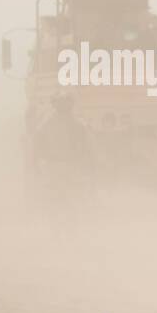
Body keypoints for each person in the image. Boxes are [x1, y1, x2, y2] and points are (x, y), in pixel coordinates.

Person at [31, 90, 95, 221]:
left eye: (66, 103)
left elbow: (87, 146)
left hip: (69, 166)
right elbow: (36, 143)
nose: (63, 106)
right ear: (56, 105)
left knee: (71, 196)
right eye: (61, 103)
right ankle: (58, 222)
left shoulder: (77, 123)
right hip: (56, 166)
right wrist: (36, 162)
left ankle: (68, 222)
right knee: (56, 196)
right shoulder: (47, 123)